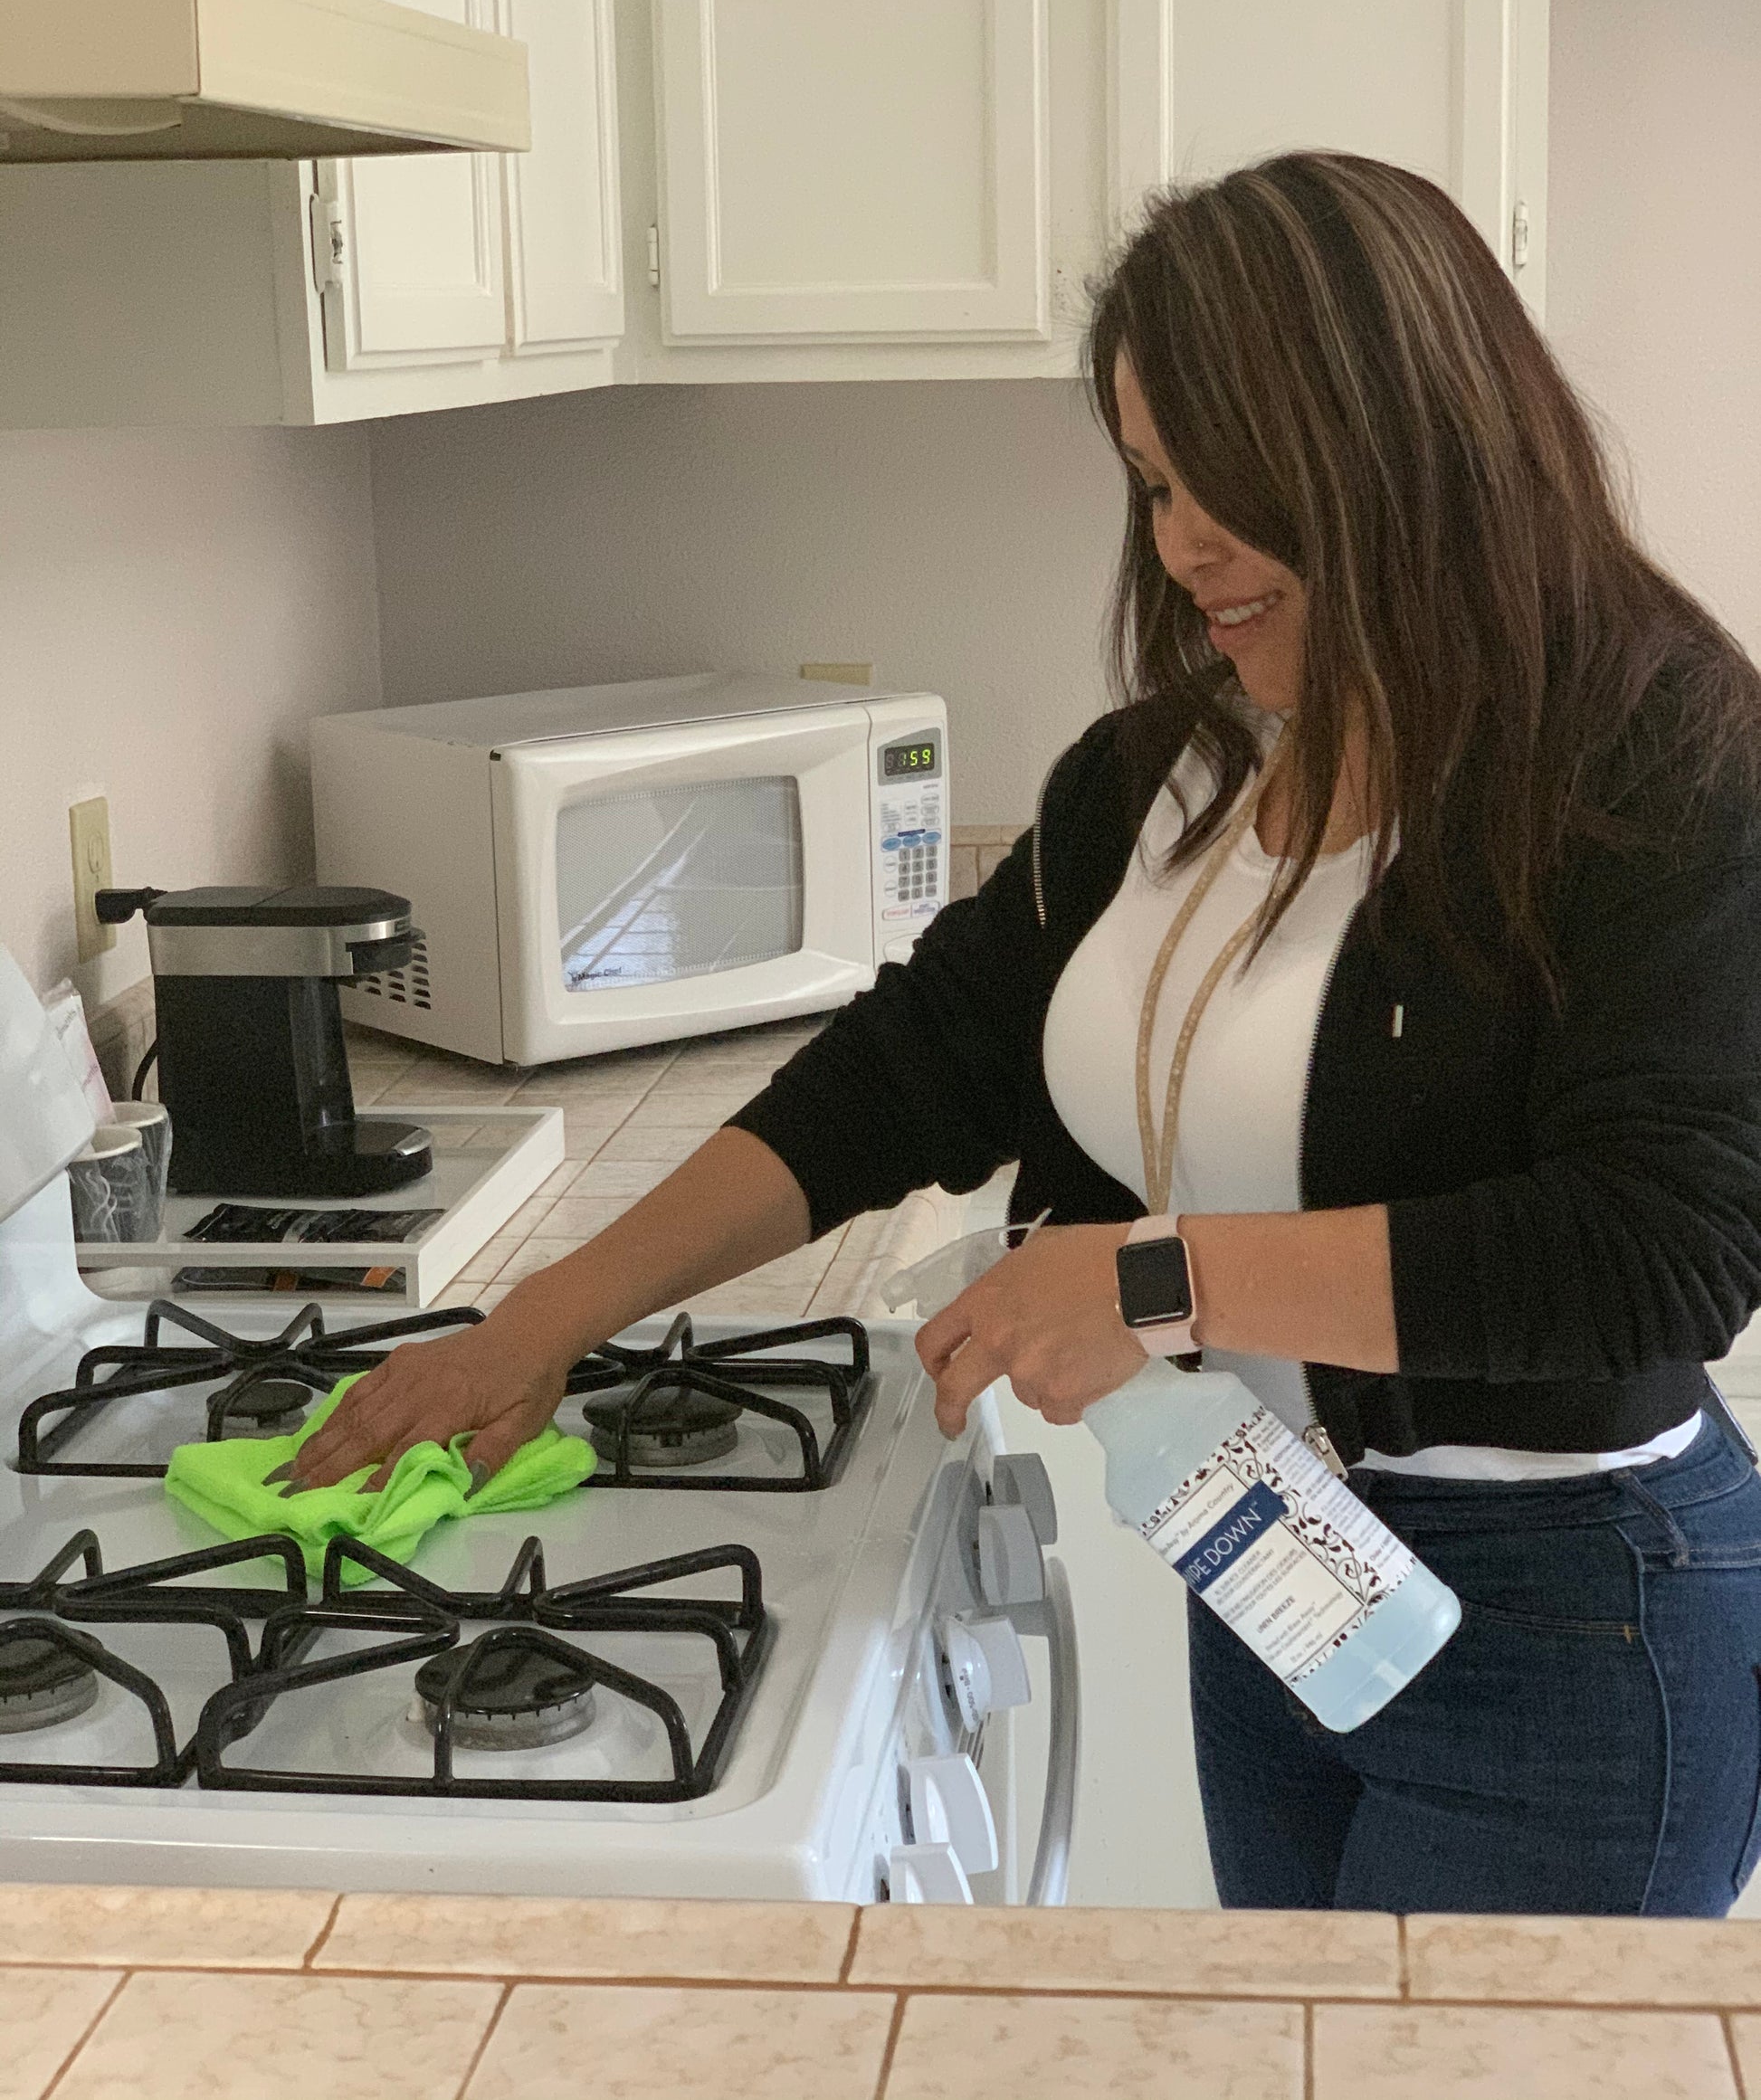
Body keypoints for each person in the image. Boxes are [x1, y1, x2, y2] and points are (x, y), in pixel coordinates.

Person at [290, 151, 1761, 1918]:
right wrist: (541, 1320)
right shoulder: (1158, 776)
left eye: (1229, 474)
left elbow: (1661, 1248)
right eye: (1150, 481)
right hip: (1271, 1555)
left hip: (1572, 1614)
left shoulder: (1652, 765)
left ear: (1406, 436)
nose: (1182, 539)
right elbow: (911, 1062)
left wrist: (1154, 1281)